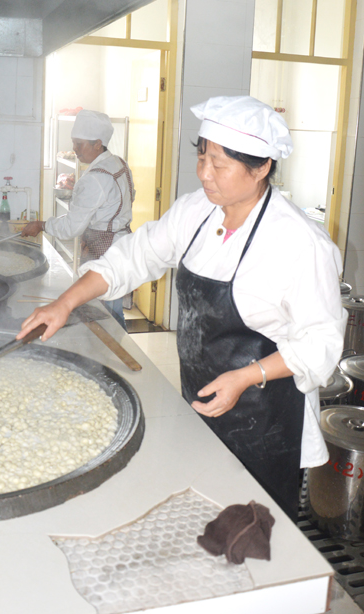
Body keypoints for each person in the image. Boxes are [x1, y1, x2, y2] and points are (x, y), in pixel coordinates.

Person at [19, 96, 347, 521]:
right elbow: (134, 256)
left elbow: (320, 344)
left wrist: (246, 376)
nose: (204, 173)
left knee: (254, 530)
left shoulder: (301, 244)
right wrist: (65, 302)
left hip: (266, 417)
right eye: (202, 156)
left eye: (220, 164)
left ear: (262, 167)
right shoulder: (197, 211)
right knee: (204, 514)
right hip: (200, 398)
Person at [21, 109, 135, 329]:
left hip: (105, 252)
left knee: (103, 313)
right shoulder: (119, 164)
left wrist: (42, 225)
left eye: (79, 144)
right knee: (113, 308)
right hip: (121, 246)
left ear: (98, 144)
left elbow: (71, 227)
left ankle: (112, 347)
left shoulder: (94, 179)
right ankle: (119, 345)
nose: (74, 149)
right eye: (74, 142)